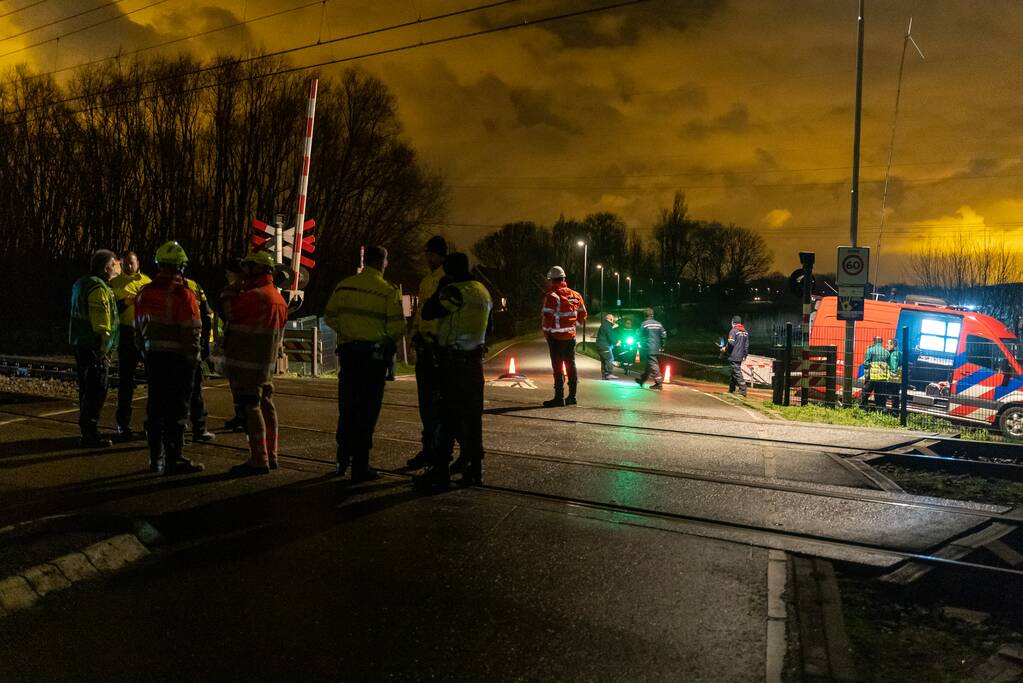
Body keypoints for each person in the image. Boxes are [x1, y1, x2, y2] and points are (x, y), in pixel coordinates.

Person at [324, 245, 405, 481]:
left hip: (349, 354)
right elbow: (397, 327)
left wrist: (349, 331)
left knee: (348, 407)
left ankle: (342, 459)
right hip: (373, 358)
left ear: (365, 261)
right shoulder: (388, 291)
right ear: (383, 263)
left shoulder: (345, 285)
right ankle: (360, 465)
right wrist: (380, 339)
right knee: (368, 410)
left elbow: (330, 315)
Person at [413, 253, 493, 489]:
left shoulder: (454, 292)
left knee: (447, 417)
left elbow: (428, 311)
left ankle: (440, 472)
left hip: (453, 362)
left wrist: (441, 288)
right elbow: (490, 326)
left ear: (450, 272)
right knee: (473, 417)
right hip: (475, 361)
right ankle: (474, 469)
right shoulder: (482, 291)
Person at [133, 241, 204, 475]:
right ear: (180, 267)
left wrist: (145, 351)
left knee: (155, 408)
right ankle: (174, 458)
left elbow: (137, 329)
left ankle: (155, 459)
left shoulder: (144, 292)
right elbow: (192, 331)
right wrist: (193, 359)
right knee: (177, 410)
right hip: (179, 361)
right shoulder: (184, 295)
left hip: (153, 358)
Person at [223, 250, 288, 476]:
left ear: (256, 269)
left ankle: (258, 459)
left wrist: (231, 289)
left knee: (251, 408)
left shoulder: (255, 296)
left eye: (248, 267)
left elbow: (230, 312)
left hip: (247, 364)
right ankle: (272, 454)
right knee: (267, 406)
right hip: (265, 365)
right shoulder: (277, 297)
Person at [69, 249, 120, 448]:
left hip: (80, 342)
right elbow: (102, 324)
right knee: (97, 389)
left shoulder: (81, 283)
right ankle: (90, 434)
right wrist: (104, 348)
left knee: (86, 387)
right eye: (114, 264)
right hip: (95, 346)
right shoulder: (99, 288)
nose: (117, 267)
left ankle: (86, 431)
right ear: (106, 268)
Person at [406, 235, 447, 470]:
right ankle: (429, 448)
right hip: (425, 347)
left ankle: (437, 450)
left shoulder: (445, 280)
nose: (428, 258)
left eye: (432, 254)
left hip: (439, 349)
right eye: (427, 254)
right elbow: (421, 312)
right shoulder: (426, 281)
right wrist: (413, 338)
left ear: (441, 255)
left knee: (437, 404)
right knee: (426, 404)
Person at [109, 250, 151, 440]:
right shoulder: (114, 283)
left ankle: (151, 424)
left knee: (153, 380)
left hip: (144, 331)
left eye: (131, 263)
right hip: (126, 333)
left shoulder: (147, 282)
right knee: (126, 381)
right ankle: (123, 424)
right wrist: (125, 302)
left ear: (138, 263)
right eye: (125, 264)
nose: (128, 266)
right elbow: (110, 309)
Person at [541, 265, 587, 407]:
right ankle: (572, 397)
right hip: (570, 338)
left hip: (555, 338)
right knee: (571, 365)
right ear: (563, 278)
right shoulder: (576, 295)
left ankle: (559, 397)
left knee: (558, 367)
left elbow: (547, 317)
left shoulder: (551, 296)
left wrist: (547, 333)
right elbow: (583, 315)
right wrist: (572, 325)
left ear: (552, 280)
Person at [216, 257, 247, 433]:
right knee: (239, 383)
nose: (227, 275)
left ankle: (243, 416)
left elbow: (228, 315)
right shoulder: (249, 290)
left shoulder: (231, 292)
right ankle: (241, 415)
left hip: (236, 342)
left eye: (229, 272)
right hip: (242, 342)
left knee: (238, 383)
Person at [184, 275, 216, 443]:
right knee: (195, 389)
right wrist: (204, 344)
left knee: (165, 392)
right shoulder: (193, 287)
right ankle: (199, 428)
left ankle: (173, 428)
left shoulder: (152, 287)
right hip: (190, 348)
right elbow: (206, 316)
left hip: (161, 352)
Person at [635, 308, 667, 390]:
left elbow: (639, 334)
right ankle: (642, 380)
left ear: (644, 315)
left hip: (649, 348)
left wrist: (637, 334)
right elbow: (664, 335)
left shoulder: (645, 324)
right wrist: (662, 346)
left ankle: (659, 383)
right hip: (657, 348)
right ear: (653, 315)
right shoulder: (659, 324)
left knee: (653, 365)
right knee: (649, 365)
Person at [859, 335, 891, 409]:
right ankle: (880, 410)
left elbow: (866, 364)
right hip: (882, 377)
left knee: (866, 392)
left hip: (872, 376)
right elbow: (889, 365)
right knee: (880, 394)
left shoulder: (870, 350)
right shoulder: (887, 352)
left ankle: (862, 408)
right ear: (881, 342)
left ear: (874, 341)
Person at [722, 315, 749, 397]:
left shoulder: (733, 331)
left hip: (734, 355)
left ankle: (743, 390)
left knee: (737, 372)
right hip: (740, 356)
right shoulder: (745, 332)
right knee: (734, 372)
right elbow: (746, 345)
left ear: (733, 322)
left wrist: (725, 350)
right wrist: (745, 355)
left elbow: (731, 343)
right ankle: (731, 389)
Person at [596, 313, 618, 380]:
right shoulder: (607, 326)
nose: (613, 321)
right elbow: (610, 337)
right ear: (610, 319)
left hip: (600, 345)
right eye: (613, 320)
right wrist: (616, 343)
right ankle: (609, 373)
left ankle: (604, 375)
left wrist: (612, 326)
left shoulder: (604, 325)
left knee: (604, 360)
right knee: (609, 359)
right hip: (604, 345)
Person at [884, 337, 903, 412]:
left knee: (885, 393)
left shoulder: (893, 354)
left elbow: (893, 364)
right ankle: (895, 411)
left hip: (891, 377)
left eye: (887, 344)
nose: (886, 345)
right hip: (897, 378)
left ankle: (884, 409)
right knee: (896, 395)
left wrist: (893, 371)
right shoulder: (899, 353)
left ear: (892, 345)